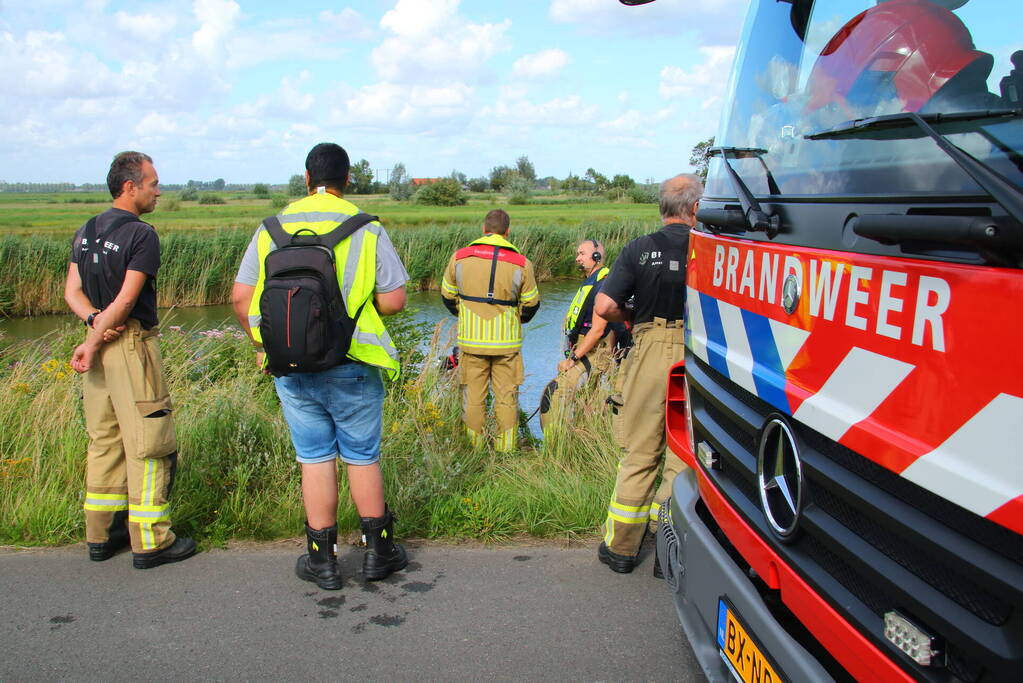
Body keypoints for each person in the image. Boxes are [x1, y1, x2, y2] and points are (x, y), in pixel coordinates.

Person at [231, 142, 409, 590]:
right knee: (362, 456)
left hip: (291, 364)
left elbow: (239, 297)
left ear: (306, 178)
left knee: (314, 458)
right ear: (348, 180)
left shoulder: (271, 227)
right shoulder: (365, 227)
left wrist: (264, 342)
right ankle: (378, 553)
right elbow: (394, 300)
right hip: (352, 361)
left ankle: (322, 561)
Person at [66, 151, 196, 569]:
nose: (159, 190)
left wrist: (91, 330)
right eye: (153, 183)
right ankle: (151, 540)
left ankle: (101, 536)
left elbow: (73, 293)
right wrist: (103, 328)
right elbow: (126, 299)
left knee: (103, 439)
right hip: (129, 343)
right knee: (149, 441)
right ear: (130, 186)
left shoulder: (85, 231)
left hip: (96, 343)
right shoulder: (142, 235)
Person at [593, 174, 702, 576]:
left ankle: (621, 549)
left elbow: (604, 307)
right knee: (681, 456)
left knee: (640, 451)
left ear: (662, 209)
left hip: (651, 347)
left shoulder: (641, 248)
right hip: (698, 355)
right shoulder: (713, 251)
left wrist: (635, 317)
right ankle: (666, 554)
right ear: (696, 209)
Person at [440, 209, 540, 452]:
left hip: (471, 342)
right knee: (506, 399)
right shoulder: (521, 263)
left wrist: (463, 313)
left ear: (484, 230)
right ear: (507, 232)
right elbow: (532, 304)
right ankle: (506, 451)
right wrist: (516, 320)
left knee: (473, 398)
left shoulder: (459, 257)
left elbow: (446, 295)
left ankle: (475, 450)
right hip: (506, 344)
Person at [539, 239, 616, 433]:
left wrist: (573, 359)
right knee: (586, 400)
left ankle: (553, 444)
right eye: (577, 254)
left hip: (595, 351)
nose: (577, 258)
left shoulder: (604, 283)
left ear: (597, 255)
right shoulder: (591, 281)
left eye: (582, 254)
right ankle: (578, 440)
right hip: (583, 349)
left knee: (557, 392)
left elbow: (598, 330)